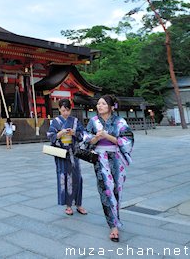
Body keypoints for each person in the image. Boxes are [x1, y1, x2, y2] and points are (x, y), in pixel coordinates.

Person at [83, 95, 134, 243]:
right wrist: (96, 139)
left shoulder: (120, 121)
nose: (99, 106)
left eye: (103, 104)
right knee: (106, 189)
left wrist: (108, 136)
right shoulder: (93, 122)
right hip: (100, 159)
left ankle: (116, 218)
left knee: (116, 190)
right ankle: (113, 226)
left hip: (116, 158)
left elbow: (127, 140)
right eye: (98, 104)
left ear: (111, 106)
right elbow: (86, 140)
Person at [47, 99, 87, 216]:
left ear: (70, 109)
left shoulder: (75, 121)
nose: (65, 113)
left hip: (73, 153)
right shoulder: (55, 122)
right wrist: (60, 133)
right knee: (64, 178)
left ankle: (79, 204)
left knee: (77, 177)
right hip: (61, 154)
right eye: (63, 110)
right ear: (59, 109)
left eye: (67, 110)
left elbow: (83, 134)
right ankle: (68, 206)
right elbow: (50, 135)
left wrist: (74, 133)